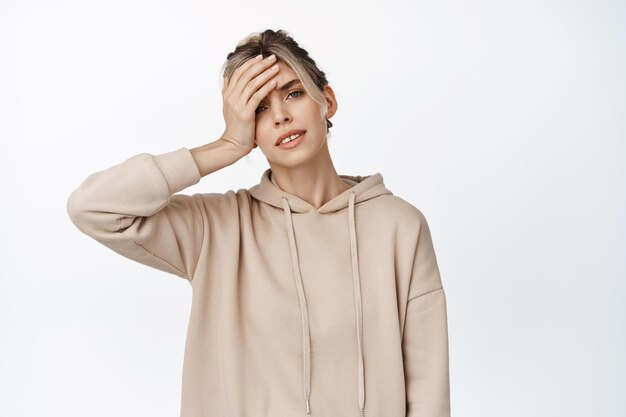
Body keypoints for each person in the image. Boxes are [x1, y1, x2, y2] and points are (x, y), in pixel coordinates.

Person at [67, 29, 451, 417]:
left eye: (293, 93)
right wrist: (227, 146)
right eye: (259, 109)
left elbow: (428, 391)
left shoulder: (399, 227)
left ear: (328, 101)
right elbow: (92, 208)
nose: (281, 116)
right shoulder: (215, 229)